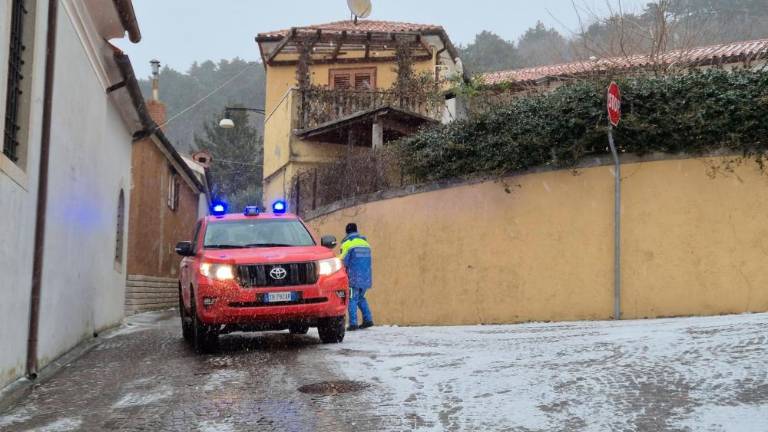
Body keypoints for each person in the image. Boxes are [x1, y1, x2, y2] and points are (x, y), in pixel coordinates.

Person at [339, 223, 373, 331]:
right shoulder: (365, 243)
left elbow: (343, 261)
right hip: (366, 277)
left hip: (354, 277)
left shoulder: (347, 244)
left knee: (352, 299)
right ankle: (368, 320)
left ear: (347, 232)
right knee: (361, 298)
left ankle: (353, 323)